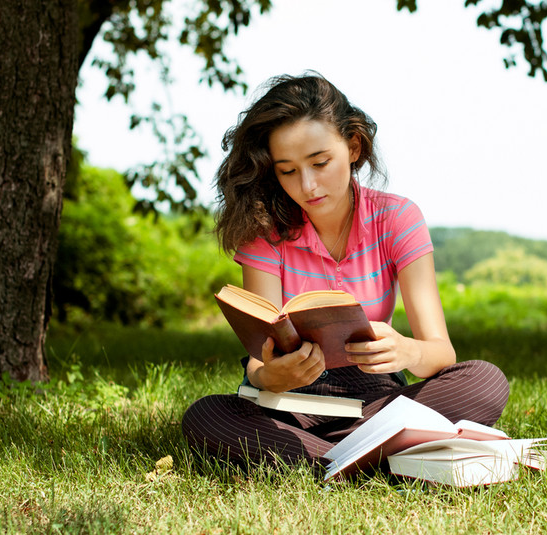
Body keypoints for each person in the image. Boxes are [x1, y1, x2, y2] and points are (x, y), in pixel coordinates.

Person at [182, 73, 509, 470]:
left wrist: (407, 351)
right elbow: (257, 363)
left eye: (320, 163)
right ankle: (376, 456)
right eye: (287, 171)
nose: (308, 185)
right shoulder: (264, 233)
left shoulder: (397, 218)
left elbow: (441, 352)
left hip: (377, 400)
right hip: (294, 405)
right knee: (205, 416)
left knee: (486, 381)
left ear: (353, 146)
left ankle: (327, 460)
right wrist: (273, 376)